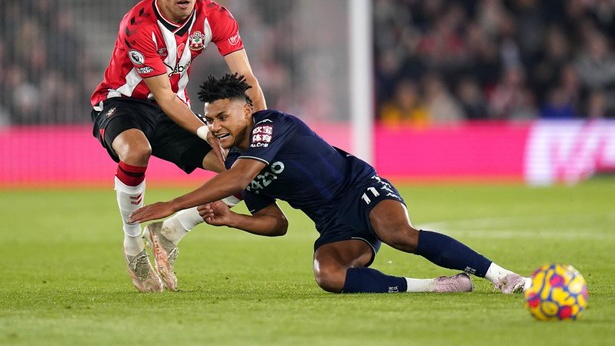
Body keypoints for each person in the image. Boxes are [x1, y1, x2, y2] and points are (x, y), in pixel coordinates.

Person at [129, 73, 530, 295]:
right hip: (335, 226)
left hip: (361, 189)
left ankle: (502, 276)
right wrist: (233, 221)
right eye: (210, 120)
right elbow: (276, 222)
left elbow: (242, 176)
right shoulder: (237, 161)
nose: (214, 126)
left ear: (247, 110)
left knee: (398, 234)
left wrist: (174, 205)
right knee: (328, 274)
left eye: (222, 116)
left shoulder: (270, 126)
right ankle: (434, 287)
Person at [90, 0, 266, 293]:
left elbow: (246, 76)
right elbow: (163, 96)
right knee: (137, 151)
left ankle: (172, 230)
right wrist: (205, 130)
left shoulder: (216, 16)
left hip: (175, 108)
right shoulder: (138, 24)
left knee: (247, 169)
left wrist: (262, 129)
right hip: (123, 103)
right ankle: (133, 245)